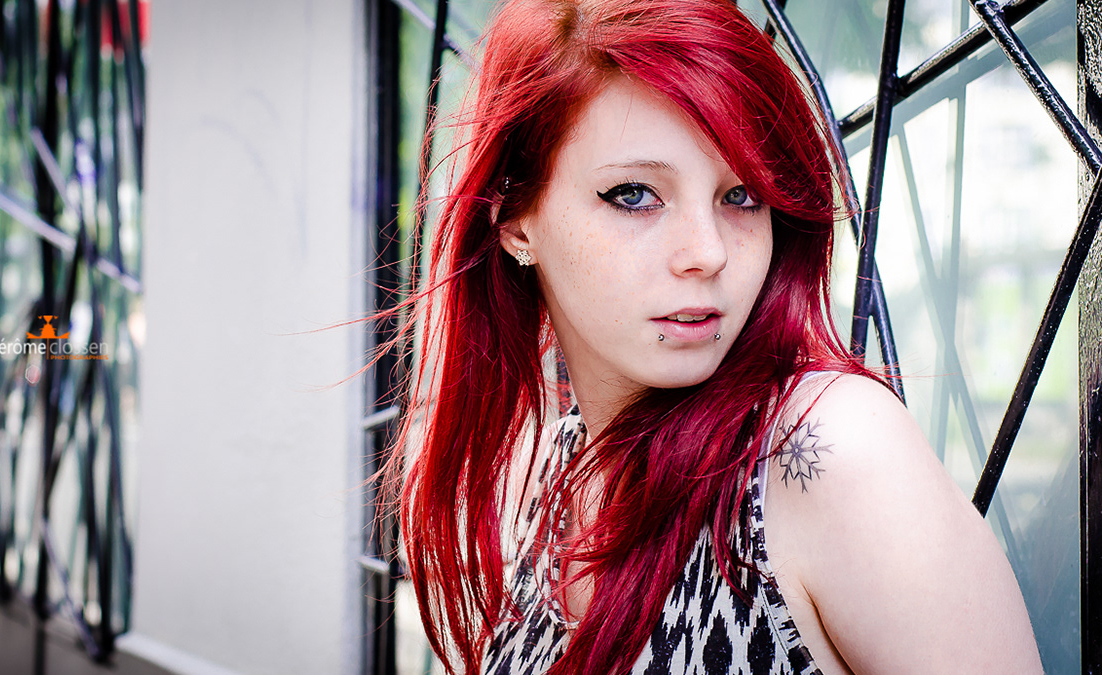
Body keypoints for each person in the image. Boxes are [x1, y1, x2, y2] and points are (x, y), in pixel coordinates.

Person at [384, 0, 1044, 673]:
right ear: (516, 218)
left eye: (741, 196)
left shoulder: (820, 451)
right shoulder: (546, 474)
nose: (707, 252)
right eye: (635, 194)